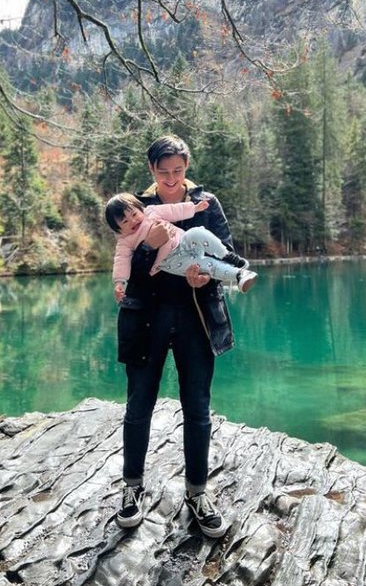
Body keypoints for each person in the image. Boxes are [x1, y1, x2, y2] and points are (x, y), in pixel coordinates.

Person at [113, 134, 248, 538]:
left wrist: (203, 274)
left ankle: (198, 493)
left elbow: (226, 250)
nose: (172, 179)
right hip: (147, 319)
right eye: (163, 172)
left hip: (195, 317)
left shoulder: (207, 203)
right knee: (138, 406)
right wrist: (145, 250)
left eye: (178, 171)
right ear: (151, 170)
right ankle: (132, 488)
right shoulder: (134, 208)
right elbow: (126, 267)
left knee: (198, 408)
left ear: (186, 168)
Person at [105, 193, 258, 301]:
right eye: (124, 222)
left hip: (184, 241)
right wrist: (119, 283)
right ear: (118, 230)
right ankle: (239, 275)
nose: (133, 221)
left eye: (134, 214)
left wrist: (195, 208)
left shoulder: (151, 212)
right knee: (205, 266)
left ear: (140, 209)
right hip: (171, 261)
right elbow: (121, 261)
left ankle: (229, 256)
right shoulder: (125, 242)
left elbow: (173, 210)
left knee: (198, 232)